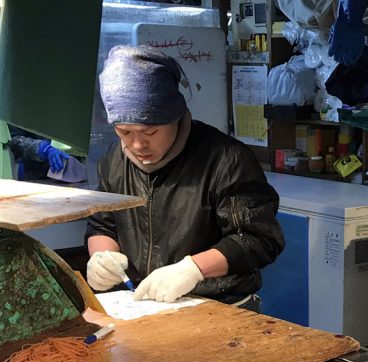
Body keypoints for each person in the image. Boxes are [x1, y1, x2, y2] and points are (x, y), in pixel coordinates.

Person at [86, 46, 284, 306]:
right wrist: (102, 257)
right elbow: (103, 224)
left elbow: (258, 239)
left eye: (150, 133)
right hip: (144, 306)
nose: (136, 145)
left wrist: (193, 269)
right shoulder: (113, 160)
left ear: (175, 117)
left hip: (221, 308)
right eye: (124, 132)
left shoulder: (225, 159)